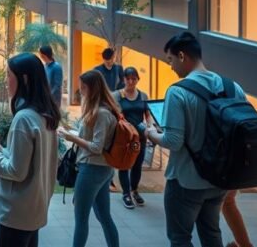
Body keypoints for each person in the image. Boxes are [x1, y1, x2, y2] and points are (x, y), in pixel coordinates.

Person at [144, 31, 245, 247]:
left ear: (182, 56)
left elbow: (173, 141)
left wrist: (150, 132)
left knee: (180, 238)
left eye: (170, 60)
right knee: (211, 233)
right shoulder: (232, 87)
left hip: (185, 180)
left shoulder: (178, 92)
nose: (170, 66)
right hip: (219, 180)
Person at [0, 53, 60, 247]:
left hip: (16, 215)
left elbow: (16, 171)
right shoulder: (45, 114)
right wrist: (1, 150)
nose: (6, 81)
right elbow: (30, 162)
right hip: (34, 211)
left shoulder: (24, 119)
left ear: (23, 79)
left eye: (8, 75)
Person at [59, 70, 121, 247]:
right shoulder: (101, 110)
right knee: (103, 216)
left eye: (83, 87)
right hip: (103, 169)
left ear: (93, 88)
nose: (80, 90)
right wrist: (70, 133)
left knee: (81, 219)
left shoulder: (101, 113)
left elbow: (96, 146)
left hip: (92, 169)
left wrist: (72, 138)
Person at [115, 66, 151, 209]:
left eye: (133, 79)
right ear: (123, 79)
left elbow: (148, 115)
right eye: (128, 79)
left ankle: (134, 190)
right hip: (125, 137)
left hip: (140, 137)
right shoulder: (118, 96)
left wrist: (150, 127)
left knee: (137, 164)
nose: (130, 82)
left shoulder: (143, 96)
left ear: (137, 79)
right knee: (124, 164)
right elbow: (116, 115)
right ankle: (125, 193)